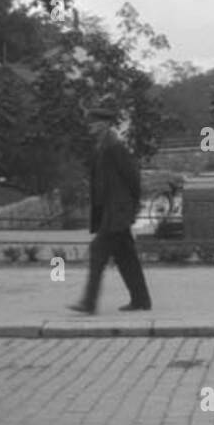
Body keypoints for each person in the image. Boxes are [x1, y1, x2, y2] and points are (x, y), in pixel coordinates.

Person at [70, 101, 152, 315]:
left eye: (94, 123)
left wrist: (130, 209)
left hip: (116, 212)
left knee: (98, 251)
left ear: (104, 125)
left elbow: (133, 178)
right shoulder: (103, 146)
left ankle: (89, 302)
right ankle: (141, 300)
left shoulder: (115, 147)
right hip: (111, 212)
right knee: (126, 258)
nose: (90, 126)